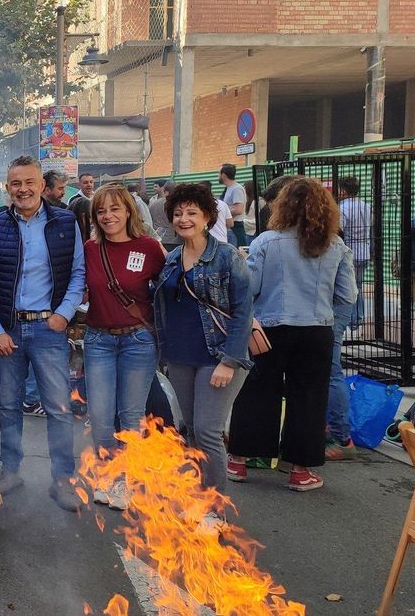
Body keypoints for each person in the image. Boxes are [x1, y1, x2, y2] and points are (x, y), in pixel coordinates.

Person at [227, 178, 356, 493]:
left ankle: (239, 461)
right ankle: (300, 471)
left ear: (283, 205)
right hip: (316, 329)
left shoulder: (267, 241)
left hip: (270, 327)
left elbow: (250, 287)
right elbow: (348, 294)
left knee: (257, 391)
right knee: (308, 397)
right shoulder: (335, 245)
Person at [0, 156, 86, 510]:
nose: (22, 189)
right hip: (8, 330)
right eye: (16, 183)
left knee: (58, 408)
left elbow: (78, 275)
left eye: (29, 183)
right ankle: (11, 471)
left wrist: (63, 315)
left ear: (42, 185)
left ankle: (62, 479)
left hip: (48, 329)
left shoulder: (65, 222)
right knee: (9, 406)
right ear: (7, 187)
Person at [151, 183, 252, 530]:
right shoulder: (172, 257)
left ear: (208, 216)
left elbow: (243, 312)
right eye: (178, 213)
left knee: (208, 431)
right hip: (180, 356)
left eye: (192, 212)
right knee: (192, 431)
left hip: (217, 356)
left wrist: (229, 360)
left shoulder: (227, 256)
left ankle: (215, 509)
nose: (184, 219)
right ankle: (198, 499)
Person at [82, 184, 165, 510]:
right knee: (100, 416)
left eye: (115, 208)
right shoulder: (90, 248)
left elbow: (169, 289)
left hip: (138, 341)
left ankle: (126, 481)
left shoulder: (149, 247)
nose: (108, 216)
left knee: (130, 416)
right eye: (101, 211)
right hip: (98, 340)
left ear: (129, 210)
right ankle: (107, 476)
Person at [336, 176, 371, 328]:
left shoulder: (342, 208)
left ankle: (351, 319)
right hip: (364, 251)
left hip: (349, 252)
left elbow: (339, 231)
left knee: (346, 288)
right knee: (358, 286)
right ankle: (358, 317)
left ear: (343, 191)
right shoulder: (366, 206)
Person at [219, 164, 248, 246]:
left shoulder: (236, 189)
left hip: (236, 228)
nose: (218, 176)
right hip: (231, 227)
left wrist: (222, 213)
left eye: (219, 173)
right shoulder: (229, 188)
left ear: (223, 175)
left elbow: (238, 209)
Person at [149, 180, 180, 250]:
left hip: (159, 239)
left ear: (164, 190)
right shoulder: (178, 204)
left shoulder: (154, 204)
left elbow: (150, 220)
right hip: (176, 240)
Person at [68, 172, 96, 241]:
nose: (89, 185)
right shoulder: (74, 200)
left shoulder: (97, 197)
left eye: (91, 182)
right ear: (79, 185)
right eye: (85, 182)